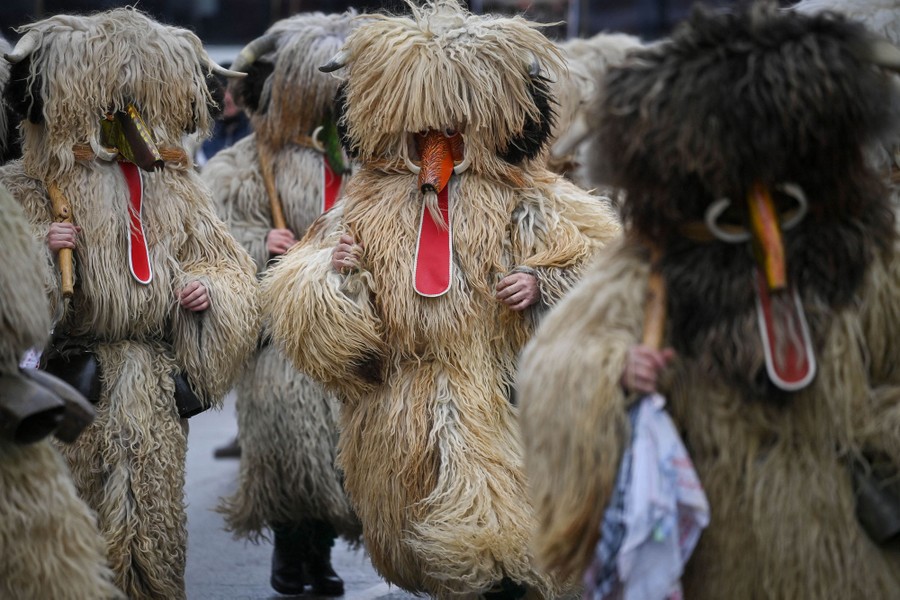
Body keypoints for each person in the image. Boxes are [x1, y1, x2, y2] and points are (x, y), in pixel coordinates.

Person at [518, 4, 900, 599]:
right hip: (714, 544)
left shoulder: (864, 255)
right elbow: (555, 365)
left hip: (844, 541)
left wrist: (870, 444)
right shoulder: (655, 261)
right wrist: (613, 371)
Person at [261, 1, 621, 597]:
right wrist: (337, 277)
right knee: (427, 544)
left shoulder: (528, 196)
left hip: (494, 391)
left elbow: (601, 267)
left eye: (453, 126)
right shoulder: (364, 203)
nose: (437, 139)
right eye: (422, 124)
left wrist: (542, 283)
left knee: (498, 543)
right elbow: (302, 299)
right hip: (399, 403)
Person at [0, 9, 259, 599]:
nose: (122, 121)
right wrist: (42, 255)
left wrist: (207, 290)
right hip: (74, 377)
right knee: (81, 524)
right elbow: (10, 297)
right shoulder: (27, 185)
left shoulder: (177, 185)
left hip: (153, 382)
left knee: (154, 521)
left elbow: (226, 266)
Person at [203, 11, 361, 596]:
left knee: (340, 456)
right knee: (290, 448)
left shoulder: (361, 163)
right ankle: (289, 557)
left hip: (345, 331)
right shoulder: (247, 164)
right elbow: (210, 240)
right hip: (280, 338)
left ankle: (318, 558)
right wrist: (257, 244)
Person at [196, 86, 251, 168]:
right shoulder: (201, 137)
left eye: (232, 92)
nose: (227, 98)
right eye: (221, 93)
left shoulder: (255, 135)